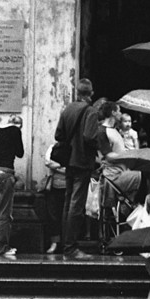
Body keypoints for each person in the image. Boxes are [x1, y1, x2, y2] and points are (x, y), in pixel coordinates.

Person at [54, 78, 99, 260]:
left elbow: (58, 135)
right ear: (91, 93)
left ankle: (66, 244)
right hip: (82, 162)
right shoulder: (91, 111)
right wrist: (97, 146)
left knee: (68, 203)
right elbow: (89, 137)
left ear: (77, 92)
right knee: (76, 205)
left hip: (69, 161)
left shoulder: (67, 110)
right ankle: (71, 247)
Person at [0, 114, 24, 258]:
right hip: (5, 173)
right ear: (19, 125)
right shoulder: (15, 131)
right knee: (4, 212)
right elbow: (20, 153)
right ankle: (0, 247)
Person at [44, 143, 67, 255]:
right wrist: (63, 168)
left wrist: (57, 166)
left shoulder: (74, 146)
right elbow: (47, 162)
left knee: (67, 216)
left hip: (70, 186)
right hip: (54, 185)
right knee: (53, 215)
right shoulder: (53, 146)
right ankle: (55, 242)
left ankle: (66, 243)